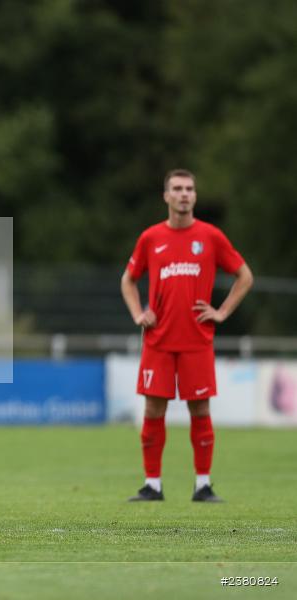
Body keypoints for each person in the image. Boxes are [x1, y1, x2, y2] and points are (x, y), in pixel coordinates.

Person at [121, 169, 253, 502]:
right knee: (153, 410)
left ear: (195, 196)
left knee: (200, 410)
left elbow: (244, 276)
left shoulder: (210, 237)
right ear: (166, 196)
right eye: (177, 189)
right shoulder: (151, 238)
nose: (184, 194)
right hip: (158, 340)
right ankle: (152, 485)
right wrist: (139, 314)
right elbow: (128, 279)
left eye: (189, 189)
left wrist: (221, 312)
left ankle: (203, 485)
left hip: (197, 340)